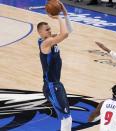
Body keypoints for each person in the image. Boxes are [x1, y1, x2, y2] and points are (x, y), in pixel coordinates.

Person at [37, 2, 72, 131]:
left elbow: (69, 31)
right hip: (51, 86)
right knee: (66, 118)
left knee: (65, 117)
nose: (50, 31)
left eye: (50, 28)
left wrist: (65, 13)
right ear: (40, 33)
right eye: (47, 30)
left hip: (56, 84)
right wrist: (58, 17)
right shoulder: (46, 43)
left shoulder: (50, 39)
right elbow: (65, 34)